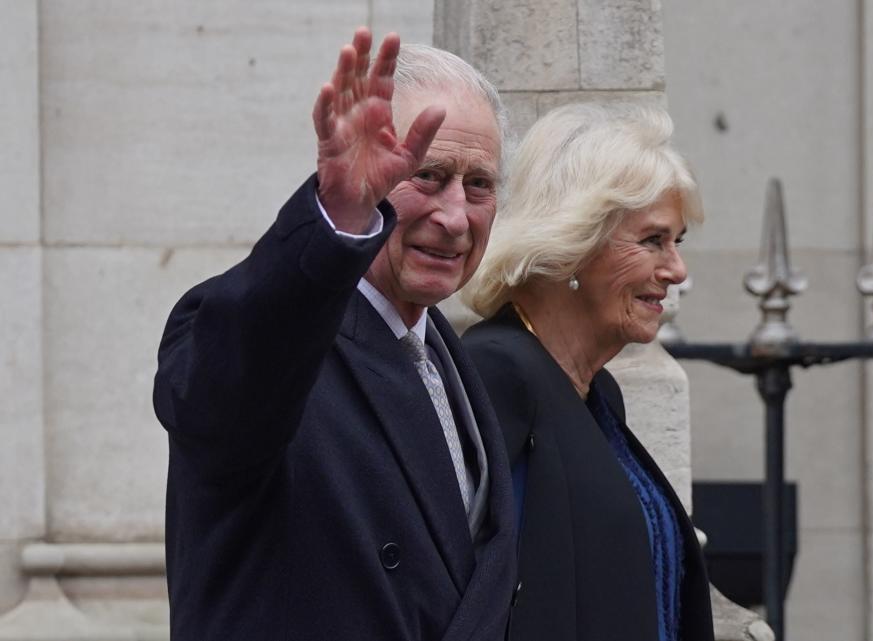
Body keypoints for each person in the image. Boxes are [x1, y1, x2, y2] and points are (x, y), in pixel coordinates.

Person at [153, 28, 517, 640]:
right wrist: (337, 220)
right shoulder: (262, 336)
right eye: (426, 176)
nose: (455, 217)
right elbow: (234, 379)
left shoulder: (449, 356)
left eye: (478, 185)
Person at [460, 103, 715, 641]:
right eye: (653, 240)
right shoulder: (499, 371)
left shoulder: (596, 391)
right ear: (575, 244)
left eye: (677, 242)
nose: (677, 270)